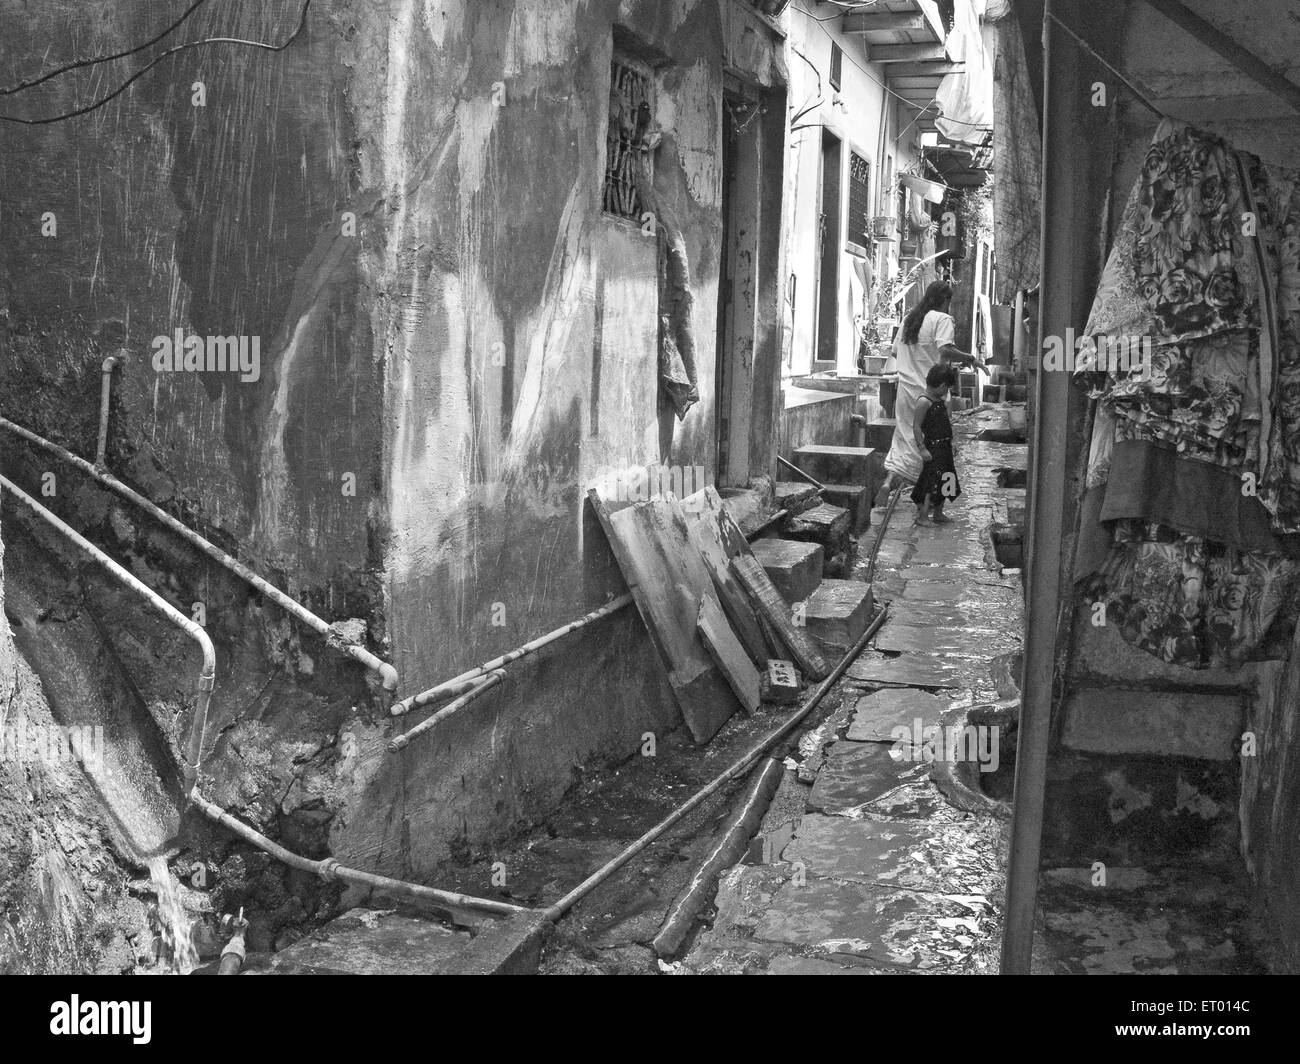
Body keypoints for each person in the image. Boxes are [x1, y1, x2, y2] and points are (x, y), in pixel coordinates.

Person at [883, 280, 986, 491]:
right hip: (930, 394)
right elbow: (945, 348)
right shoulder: (942, 319)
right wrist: (970, 358)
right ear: (946, 300)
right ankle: (923, 500)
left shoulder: (909, 320)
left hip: (905, 391)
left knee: (904, 440)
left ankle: (887, 484)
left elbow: (895, 352)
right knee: (934, 445)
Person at [911, 363, 960, 524]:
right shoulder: (924, 402)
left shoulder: (940, 401)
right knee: (931, 482)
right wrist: (922, 448)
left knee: (948, 478)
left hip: (944, 445)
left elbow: (946, 421)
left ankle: (939, 513)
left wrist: (952, 442)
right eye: (947, 388)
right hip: (933, 447)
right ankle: (923, 516)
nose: (947, 392)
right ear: (942, 385)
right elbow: (917, 426)